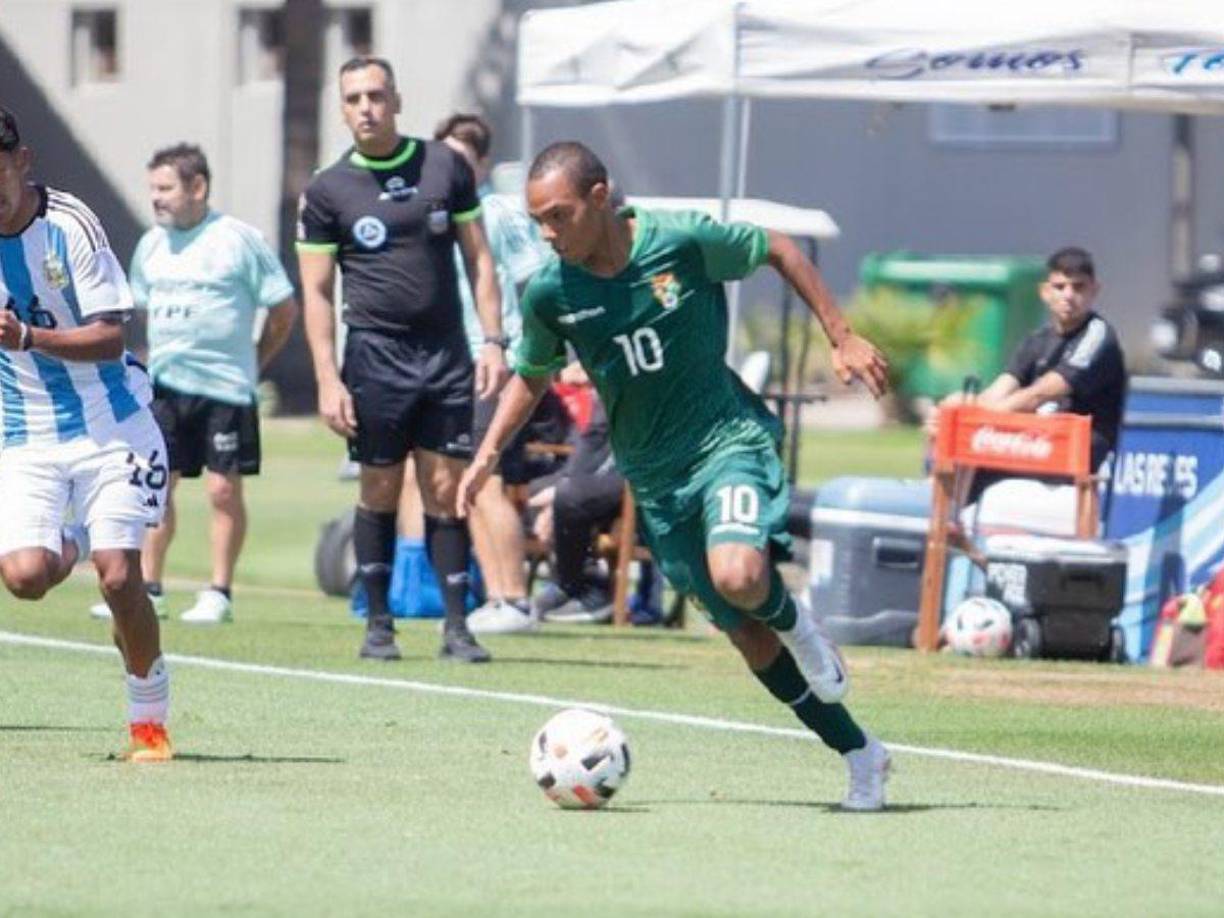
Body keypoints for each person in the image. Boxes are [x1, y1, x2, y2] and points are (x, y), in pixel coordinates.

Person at [459, 141, 894, 811]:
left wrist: (841, 335)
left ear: (600, 198)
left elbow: (780, 249)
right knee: (746, 636)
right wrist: (488, 451)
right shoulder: (551, 291)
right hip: (655, 482)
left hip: (727, 441)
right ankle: (861, 754)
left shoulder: (681, 240)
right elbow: (534, 374)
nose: (549, 233)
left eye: (560, 215)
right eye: (538, 219)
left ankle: (803, 628)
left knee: (741, 576)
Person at [297, 57, 508, 662]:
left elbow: (481, 260)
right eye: (353, 99)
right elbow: (315, 292)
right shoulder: (328, 189)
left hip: (445, 353)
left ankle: (457, 627)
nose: (365, 108)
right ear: (343, 108)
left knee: (445, 488)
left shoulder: (445, 166)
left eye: (375, 96)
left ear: (397, 99)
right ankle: (379, 623)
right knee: (380, 486)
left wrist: (491, 340)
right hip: (374, 356)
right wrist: (326, 378)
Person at [0, 106, 172, 761]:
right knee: (25, 578)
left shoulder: (70, 226)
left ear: (21, 163)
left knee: (119, 577)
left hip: (112, 425)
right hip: (26, 436)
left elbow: (110, 338)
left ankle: (149, 720)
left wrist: (29, 337)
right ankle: (70, 536)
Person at [88, 143, 298, 625]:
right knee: (157, 488)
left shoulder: (238, 239)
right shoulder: (151, 245)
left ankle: (219, 592)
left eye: (165, 189)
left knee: (223, 491)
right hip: (165, 388)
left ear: (197, 187)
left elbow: (284, 309)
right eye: (153, 189)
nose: (156, 199)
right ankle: (151, 587)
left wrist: (255, 360)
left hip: (226, 388)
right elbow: (136, 310)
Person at [433, 112, 565, 635]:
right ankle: (495, 594)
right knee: (468, 480)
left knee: (489, 478)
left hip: (499, 359)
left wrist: (524, 352)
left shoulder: (501, 213)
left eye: (462, 158)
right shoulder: (443, 218)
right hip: (454, 361)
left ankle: (513, 597)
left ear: (482, 163)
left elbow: (537, 283)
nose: (452, 168)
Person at [930, 247, 1126, 501]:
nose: (1069, 296)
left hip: (1081, 450)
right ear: (1045, 292)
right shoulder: (1037, 340)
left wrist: (982, 417)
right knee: (953, 440)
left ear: (1094, 291)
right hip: (1040, 441)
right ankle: (954, 527)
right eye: (1060, 286)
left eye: (1078, 287)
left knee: (979, 441)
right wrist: (957, 409)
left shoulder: (1098, 336)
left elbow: (1040, 394)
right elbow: (998, 392)